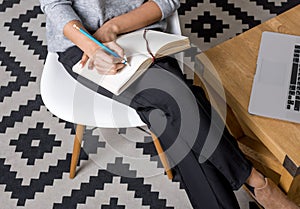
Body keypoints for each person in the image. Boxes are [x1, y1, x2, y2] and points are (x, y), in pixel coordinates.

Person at [39, 0, 299, 208]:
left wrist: (113, 28)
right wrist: (94, 45)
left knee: (165, 114)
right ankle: (256, 181)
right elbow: (54, 5)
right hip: (82, 44)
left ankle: (255, 184)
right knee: (178, 99)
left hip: (140, 35)